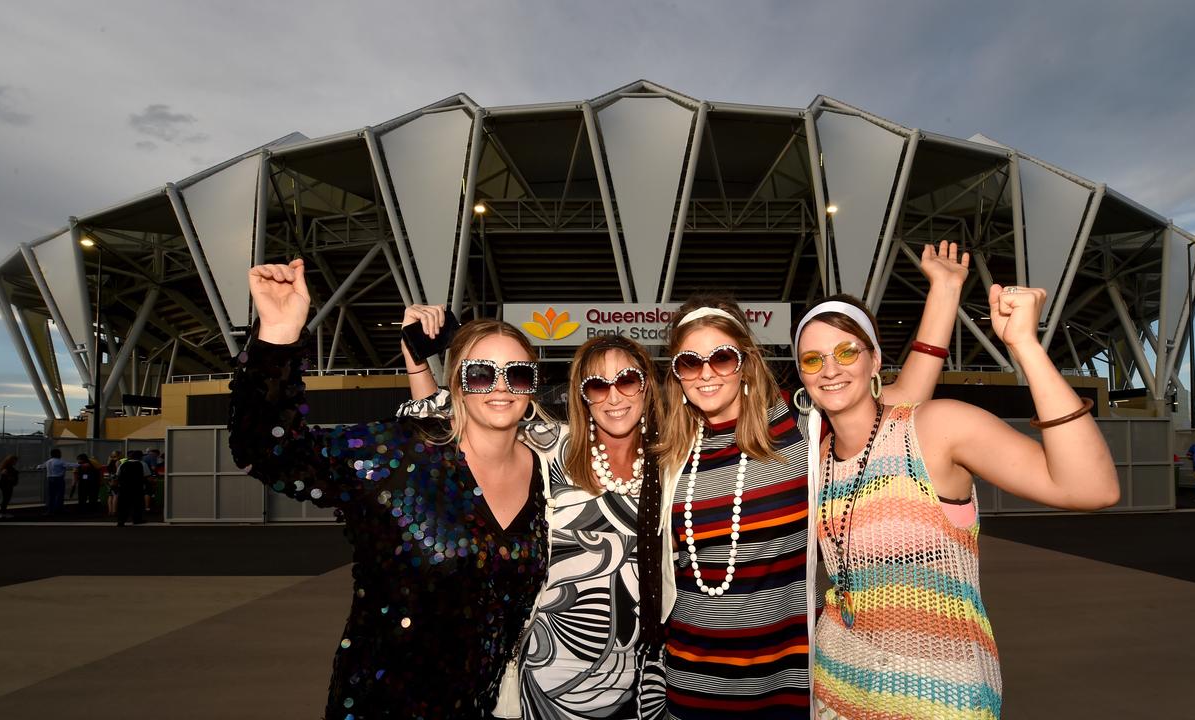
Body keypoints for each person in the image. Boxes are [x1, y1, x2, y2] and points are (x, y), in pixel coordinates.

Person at [653, 243, 967, 720]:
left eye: (721, 357)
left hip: (785, 687)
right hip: (690, 686)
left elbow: (901, 398)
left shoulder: (802, 425)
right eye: (689, 364)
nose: (706, 374)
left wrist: (944, 292)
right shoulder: (672, 451)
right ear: (676, 376)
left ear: (746, 361)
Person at [230, 258, 552, 719]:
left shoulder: (549, 475)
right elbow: (265, 450)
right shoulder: (396, 455)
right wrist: (280, 332)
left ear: (532, 388)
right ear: (457, 381)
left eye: (518, 374)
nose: (500, 387)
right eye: (481, 373)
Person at [796, 285, 1119, 720]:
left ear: (875, 360)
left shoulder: (934, 428)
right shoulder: (816, 461)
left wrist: (1025, 345)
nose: (830, 368)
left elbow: (1092, 487)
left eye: (847, 352)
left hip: (942, 696)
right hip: (835, 691)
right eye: (813, 359)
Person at [404, 313, 668, 719]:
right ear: (582, 395)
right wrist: (418, 363)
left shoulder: (671, 462)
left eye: (627, 380)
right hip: (548, 670)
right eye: (597, 385)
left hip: (641, 675)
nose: (614, 397)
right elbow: (455, 422)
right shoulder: (554, 447)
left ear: (647, 387)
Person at [36, 448, 77, 515]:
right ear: (58, 454)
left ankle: (50, 510)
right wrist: (80, 464)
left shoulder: (48, 461)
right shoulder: (60, 461)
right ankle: (59, 509)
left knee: (51, 495)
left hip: (50, 479)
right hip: (59, 479)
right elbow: (69, 465)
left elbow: (40, 466)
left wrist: (37, 467)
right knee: (59, 495)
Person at [115, 449, 149, 526]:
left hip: (124, 487)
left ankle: (121, 521)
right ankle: (137, 519)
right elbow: (146, 476)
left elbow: (117, 475)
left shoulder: (123, 464)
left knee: (123, 504)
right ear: (140, 457)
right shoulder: (142, 464)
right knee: (137, 504)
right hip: (137, 487)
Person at [105, 450, 123, 515]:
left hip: (109, 478)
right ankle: (114, 510)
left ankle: (110, 510)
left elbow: (107, 469)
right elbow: (118, 472)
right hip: (115, 479)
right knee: (116, 495)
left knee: (110, 495)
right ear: (118, 455)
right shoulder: (118, 462)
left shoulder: (109, 460)